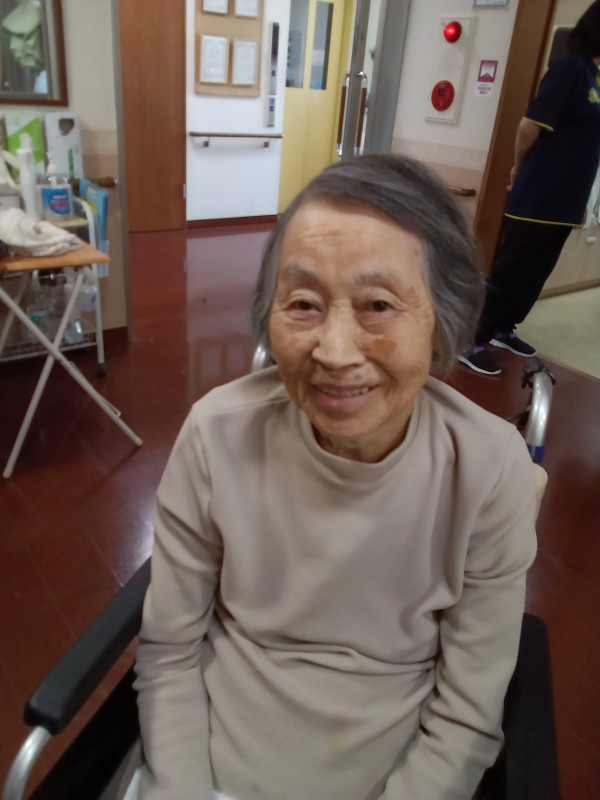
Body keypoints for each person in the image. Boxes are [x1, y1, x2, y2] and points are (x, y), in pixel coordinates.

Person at [133, 154, 537, 800]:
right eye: (303, 304)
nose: (336, 352)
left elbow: (466, 717)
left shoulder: (489, 473)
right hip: (208, 766)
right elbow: (170, 653)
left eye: (378, 305)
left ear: (442, 322)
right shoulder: (215, 435)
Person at [460, 0, 600, 376]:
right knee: (511, 271)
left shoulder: (593, 76)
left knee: (535, 273)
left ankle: (503, 328)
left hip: (565, 202)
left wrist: (581, 200)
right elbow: (529, 125)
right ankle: (470, 338)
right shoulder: (570, 68)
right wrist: (519, 166)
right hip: (539, 196)